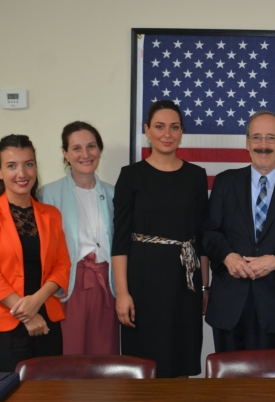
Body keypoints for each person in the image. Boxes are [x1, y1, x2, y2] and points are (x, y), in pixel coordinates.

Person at [112, 100, 209, 377]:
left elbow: (202, 237)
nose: (167, 134)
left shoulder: (196, 176)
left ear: (181, 132)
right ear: (147, 130)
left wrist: (205, 286)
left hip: (185, 284)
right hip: (142, 283)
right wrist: (122, 294)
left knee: (180, 360)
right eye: (159, 126)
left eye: (174, 127)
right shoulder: (130, 176)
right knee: (143, 366)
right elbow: (119, 242)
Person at [202, 110, 275, 352]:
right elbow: (209, 233)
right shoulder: (225, 182)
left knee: (267, 387)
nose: (263, 145)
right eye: (257, 137)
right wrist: (228, 256)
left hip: (273, 305)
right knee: (227, 387)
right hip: (228, 305)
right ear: (247, 142)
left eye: (271, 138)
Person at [39, 122, 118, 355]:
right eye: (76, 148)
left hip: (107, 284)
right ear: (65, 153)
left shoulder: (115, 194)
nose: (85, 154)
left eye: (91, 146)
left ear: (99, 150)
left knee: (105, 356)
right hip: (68, 285)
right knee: (70, 355)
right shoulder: (47, 194)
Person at [0, 134, 70, 371]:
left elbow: (62, 266)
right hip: (6, 326)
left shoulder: (51, 214)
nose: (22, 173)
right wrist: (28, 315)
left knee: (50, 391)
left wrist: (37, 302)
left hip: (47, 322)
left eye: (28, 164)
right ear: (0, 172)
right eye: (12, 165)